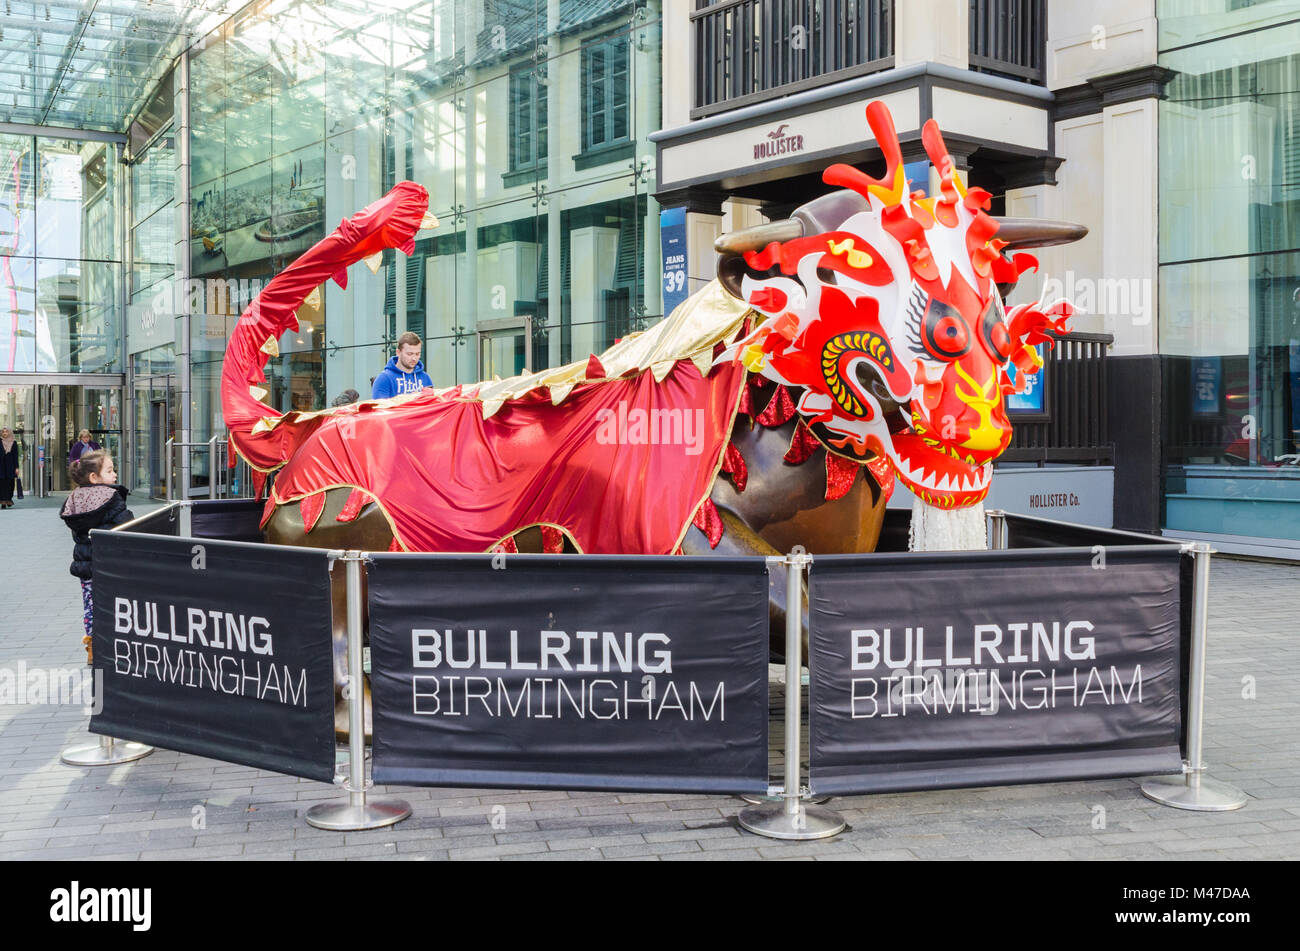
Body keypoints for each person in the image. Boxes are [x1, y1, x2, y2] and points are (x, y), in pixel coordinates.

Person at [60, 451, 134, 663]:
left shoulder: (75, 499)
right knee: (115, 604)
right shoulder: (111, 497)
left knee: (91, 606)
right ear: (94, 477)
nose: (115, 475)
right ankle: (115, 643)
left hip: (86, 566)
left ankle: (93, 647)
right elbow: (126, 525)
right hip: (111, 564)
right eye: (109, 471)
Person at [371, 331, 432, 399]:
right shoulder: (384, 379)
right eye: (409, 354)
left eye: (417, 354)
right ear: (398, 352)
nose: (414, 358)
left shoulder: (425, 377)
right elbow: (379, 408)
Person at [0, 428, 18, 509]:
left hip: (10, 466)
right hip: (1, 466)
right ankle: (3, 501)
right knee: (2, 483)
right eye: (3, 432)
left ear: (9, 433)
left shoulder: (14, 443)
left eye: (6, 431)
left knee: (10, 483)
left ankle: (8, 499)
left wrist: (17, 467)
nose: (4, 433)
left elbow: (15, 456)